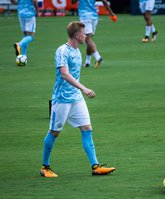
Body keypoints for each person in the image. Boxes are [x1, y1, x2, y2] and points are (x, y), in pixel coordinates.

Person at [40, 21, 116, 178]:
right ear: (76, 35)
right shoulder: (62, 51)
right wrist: (84, 88)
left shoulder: (78, 52)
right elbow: (65, 74)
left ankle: (95, 166)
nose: (86, 35)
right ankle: (45, 167)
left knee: (87, 128)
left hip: (76, 98)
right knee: (54, 132)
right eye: (84, 33)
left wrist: (79, 91)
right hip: (61, 99)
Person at [76, 0, 117, 68]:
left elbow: (73, 2)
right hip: (94, 17)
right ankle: (87, 62)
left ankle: (98, 58)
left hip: (85, 16)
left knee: (87, 39)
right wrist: (111, 13)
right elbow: (104, 1)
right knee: (89, 40)